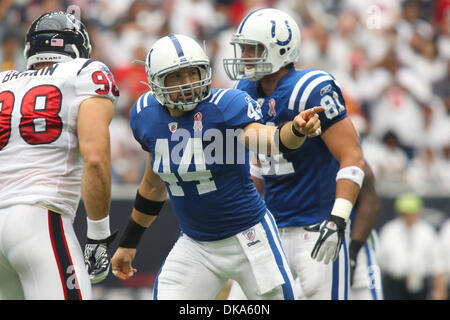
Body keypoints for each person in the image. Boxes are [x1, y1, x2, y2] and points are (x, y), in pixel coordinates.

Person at [111, 34, 324, 300]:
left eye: (192, 72)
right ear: (156, 82)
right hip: (196, 244)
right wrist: (129, 242)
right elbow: (154, 185)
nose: (188, 83)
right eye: (176, 77)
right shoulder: (146, 116)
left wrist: (295, 129)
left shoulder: (225, 105)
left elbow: (267, 139)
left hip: (249, 238)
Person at [223, 8, 365, 299]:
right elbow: (258, 165)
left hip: (317, 227)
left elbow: (352, 157)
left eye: (253, 48)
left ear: (281, 49)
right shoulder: (246, 90)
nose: (245, 55)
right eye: (244, 48)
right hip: (271, 228)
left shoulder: (310, 88)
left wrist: (338, 219)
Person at [0, 11, 118, 299]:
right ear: (78, 49)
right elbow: (95, 159)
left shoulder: (3, 81)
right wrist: (99, 236)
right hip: (39, 219)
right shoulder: (84, 72)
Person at [378, 193, 447, 300]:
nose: (409, 217)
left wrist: (439, 290)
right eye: (405, 213)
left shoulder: (427, 232)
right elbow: (380, 262)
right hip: (394, 285)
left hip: (419, 284)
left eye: (411, 213)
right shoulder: (389, 230)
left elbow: (437, 264)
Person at [348, 162, 384, 300]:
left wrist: (353, 250)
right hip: (311, 240)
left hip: (354, 241)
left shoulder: (344, 147)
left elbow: (371, 200)